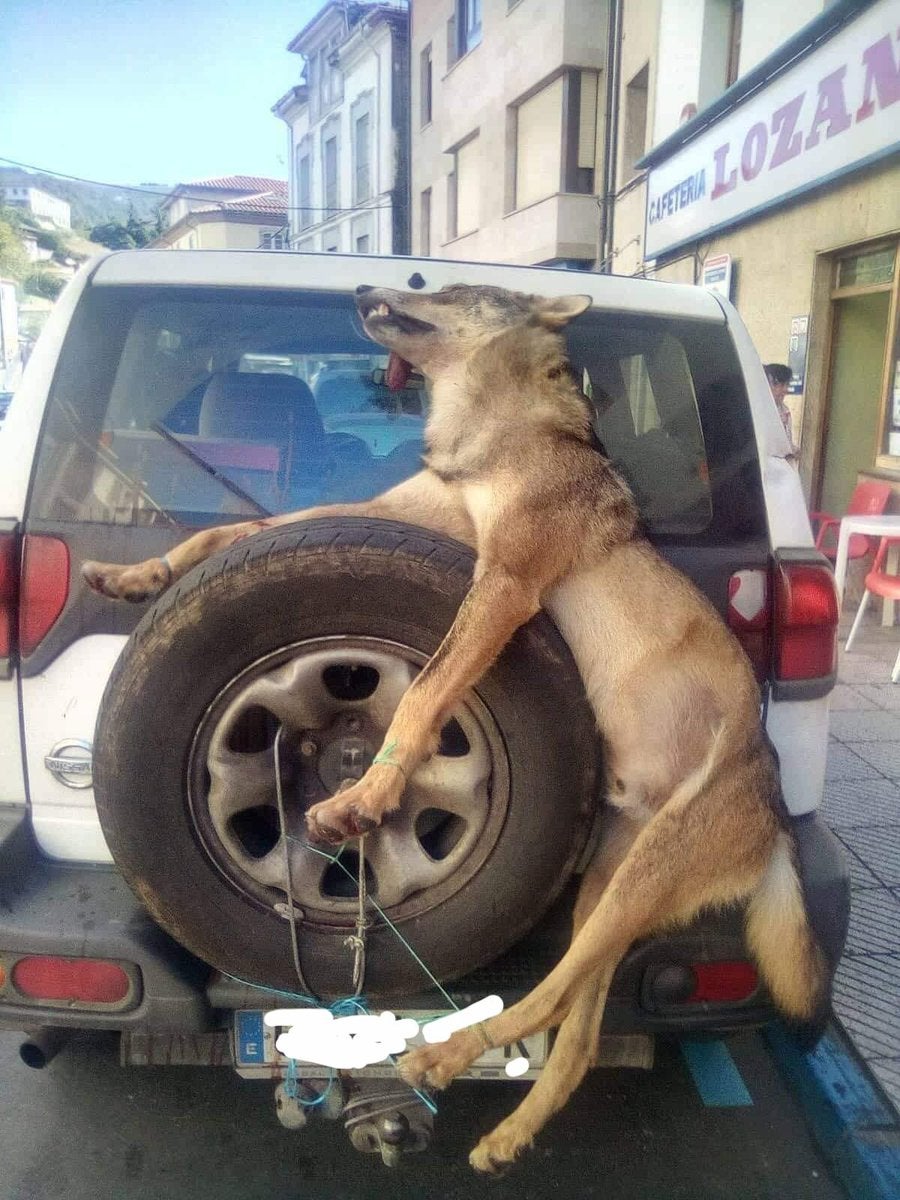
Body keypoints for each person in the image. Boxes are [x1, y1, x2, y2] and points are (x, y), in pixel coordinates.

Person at [764, 362, 800, 457]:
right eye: (777, 384)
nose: (785, 389)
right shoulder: (755, 412)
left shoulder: (785, 411)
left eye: (786, 384)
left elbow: (785, 442)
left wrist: (793, 450)